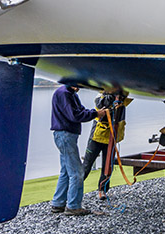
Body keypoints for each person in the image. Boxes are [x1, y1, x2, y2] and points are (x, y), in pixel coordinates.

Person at [50, 83, 100, 216]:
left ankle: (58, 203)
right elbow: (75, 116)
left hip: (66, 135)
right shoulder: (64, 93)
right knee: (77, 172)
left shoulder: (71, 93)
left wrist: (95, 113)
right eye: (78, 85)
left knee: (66, 171)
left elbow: (81, 110)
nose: (78, 88)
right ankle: (73, 206)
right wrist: (96, 113)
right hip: (65, 135)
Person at [82, 89, 132, 199]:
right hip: (97, 136)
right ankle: (74, 190)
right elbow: (101, 104)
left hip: (112, 136)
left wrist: (118, 96)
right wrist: (111, 95)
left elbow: (129, 96)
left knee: (107, 166)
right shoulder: (100, 97)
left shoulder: (123, 97)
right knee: (86, 165)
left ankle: (102, 190)